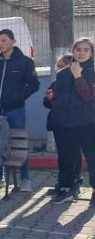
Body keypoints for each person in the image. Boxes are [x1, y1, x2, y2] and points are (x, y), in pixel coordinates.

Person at [0, 29, 40, 192]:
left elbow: (34, 85)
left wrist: (17, 97)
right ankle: (0, 178)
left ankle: (25, 179)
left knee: (19, 145)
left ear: (13, 40)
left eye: (3, 40)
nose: (1, 44)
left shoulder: (25, 62)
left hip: (15, 110)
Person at [46, 39, 95, 205]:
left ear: (91, 53)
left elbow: (88, 95)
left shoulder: (92, 71)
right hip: (67, 124)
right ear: (73, 51)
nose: (81, 53)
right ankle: (67, 188)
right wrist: (52, 100)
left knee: (92, 157)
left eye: (86, 50)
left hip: (89, 123)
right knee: (68, 158)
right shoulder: (63, 73)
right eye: (78, 49)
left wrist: (78, 76)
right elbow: (59, 99)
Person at [44, 54, 83, 199]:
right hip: (58, 124)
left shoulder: (75, 81)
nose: (58, 69)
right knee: (63, 155)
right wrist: (49, 98)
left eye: (62, 66)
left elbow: (72, 102)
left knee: (73, 154)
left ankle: (74, 183)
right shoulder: (56, 82)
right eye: (58, 66)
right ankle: (62, 182)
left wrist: (55, 98)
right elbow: (46, 102)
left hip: (72, 124)